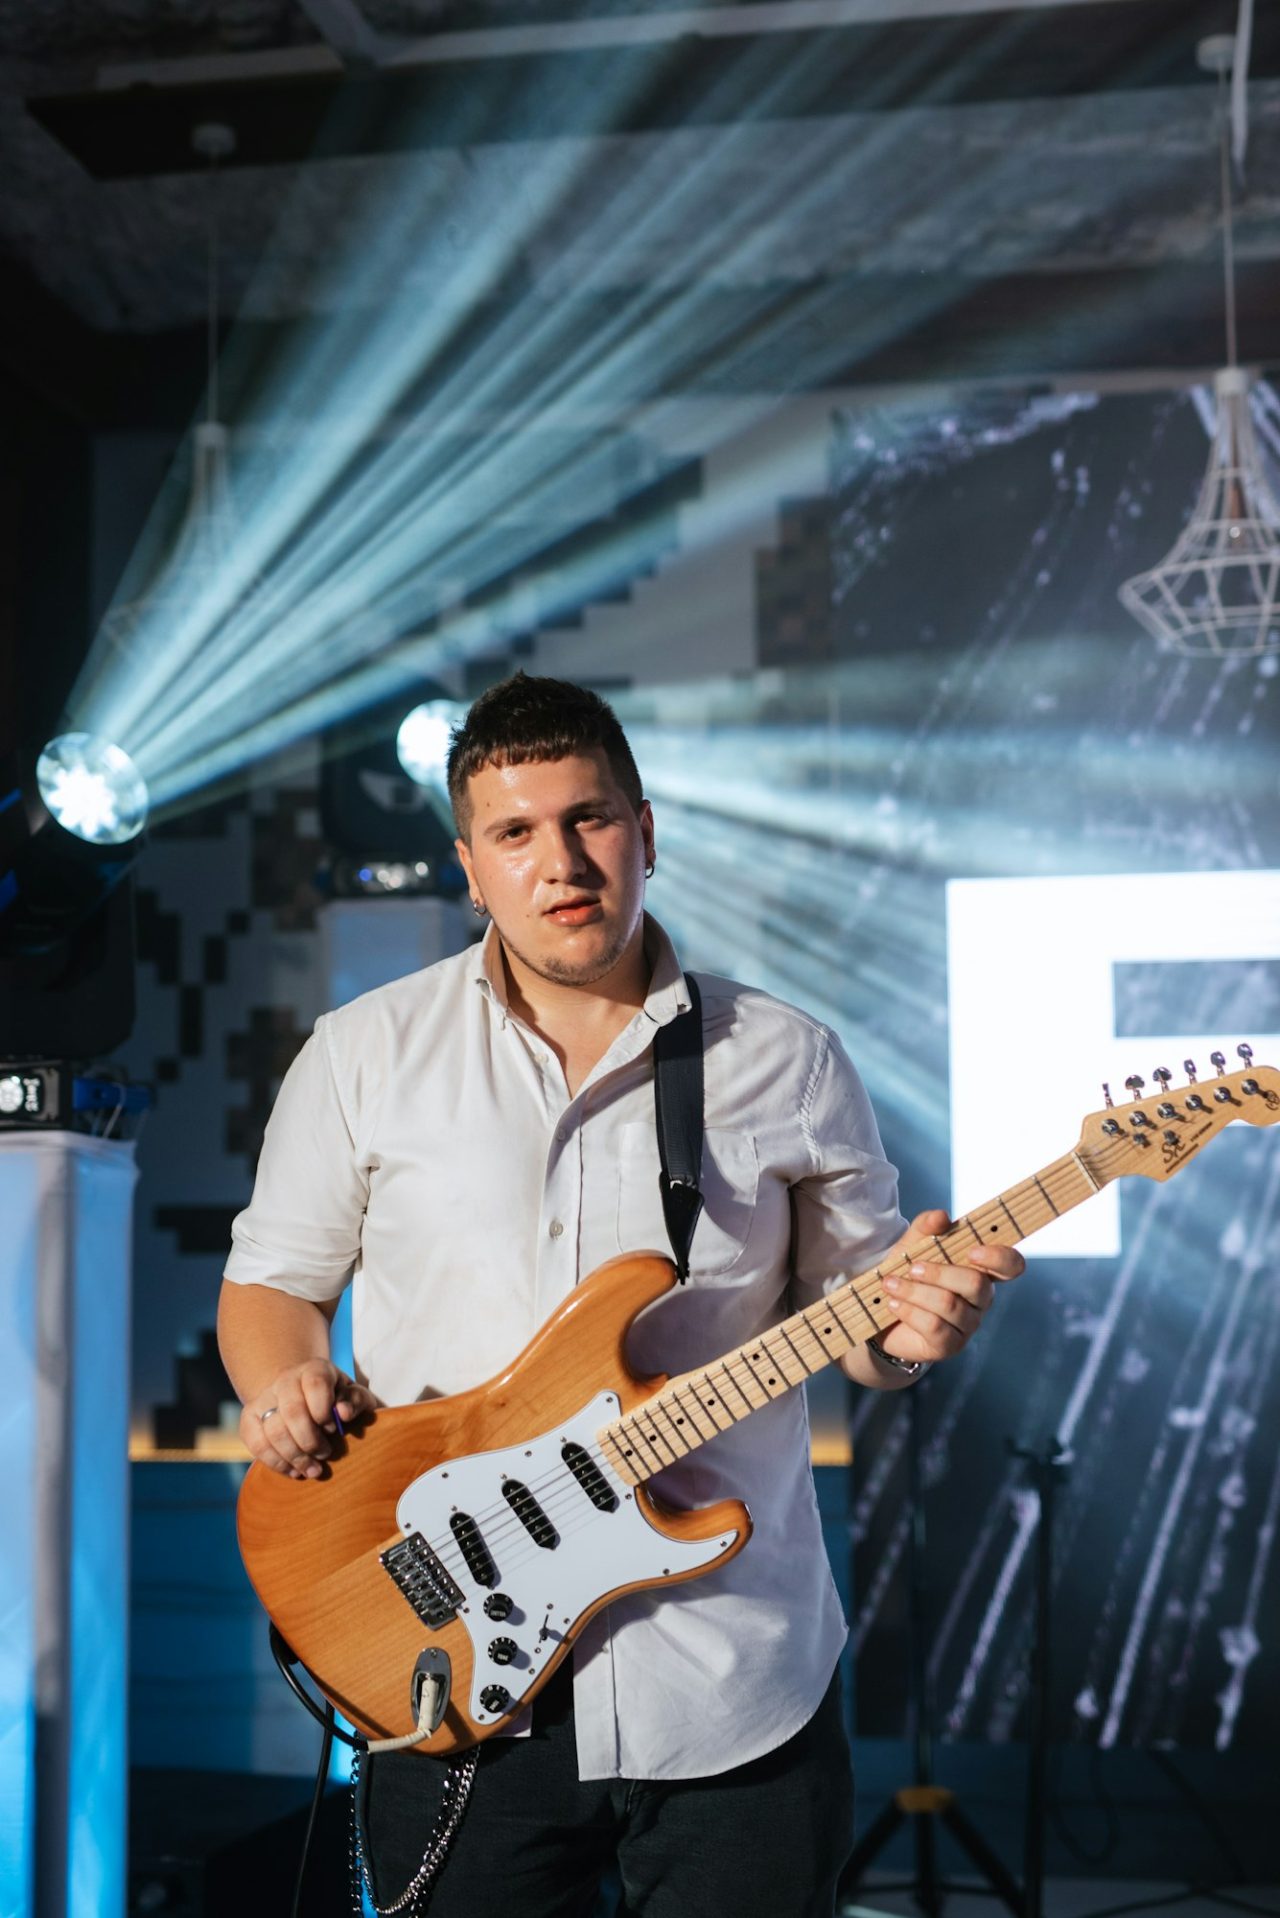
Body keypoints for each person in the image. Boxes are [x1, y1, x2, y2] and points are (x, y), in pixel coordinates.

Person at [217, 673, 1023, 1918]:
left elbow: (868, 1319)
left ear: (644, 832)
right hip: (449, 1672)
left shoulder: (785, 1058)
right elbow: (270, 1283)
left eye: (589, 819)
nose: (562, 861)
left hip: (729, 1679)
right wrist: (283, 1383)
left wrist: (911, 1332)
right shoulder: (363, 1053)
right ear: (469, 866)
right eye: (515, 832)